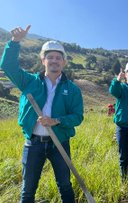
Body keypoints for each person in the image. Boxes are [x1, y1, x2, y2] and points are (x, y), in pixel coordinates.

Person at [0, 25, 84, 203]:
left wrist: (56, 121)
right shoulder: (28, 81)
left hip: (59, 142)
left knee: (65, 185)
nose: (54, 60)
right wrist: (15, 42)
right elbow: (7, 66)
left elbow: (78, 117)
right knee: (28, 189)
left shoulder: (73, 89)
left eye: (58, 57)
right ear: (43, 60)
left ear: (64, 62)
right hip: (33, 143)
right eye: (50, 57)